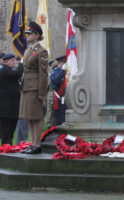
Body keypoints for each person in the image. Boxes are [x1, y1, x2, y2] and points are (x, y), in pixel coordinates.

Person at [19, 21, 48, 154]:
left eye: (30, 33)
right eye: (27, 33)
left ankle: (37, 144)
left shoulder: (41, 51)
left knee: (36, 117)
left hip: (35, 88)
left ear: (37, 35)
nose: (27, 35)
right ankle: (32, 143)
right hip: (26, 87)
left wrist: (42, 91)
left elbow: (43, 73)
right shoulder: (27, 50)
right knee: (29, 116)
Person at [0, 54, 24, 145]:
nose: (14, 62)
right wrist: (22, 63)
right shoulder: (5, 70)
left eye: (15, 60)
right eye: (12, 60)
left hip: (11, 108)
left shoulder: (9, 70)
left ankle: (8, 147)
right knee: (6, 132)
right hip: (6, 109)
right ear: (6, 62)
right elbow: (17, 73)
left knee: (10, 131)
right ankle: (6, 149)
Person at [50, 55, 68, 126]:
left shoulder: (68, 71)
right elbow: (55, 80)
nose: (63, 64)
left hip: (67, 96)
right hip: (59, 97)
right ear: (59, 63)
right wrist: (62, 71)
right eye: (62, 62)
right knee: (59, 118)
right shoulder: (55, 71)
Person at [45, 60, 57, 128]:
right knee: (50, 110)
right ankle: (49, 125)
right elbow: (47, 85)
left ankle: (51, 124)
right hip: (51, 93)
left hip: (54, 94)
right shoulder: (50, 75)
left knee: (52, 110)